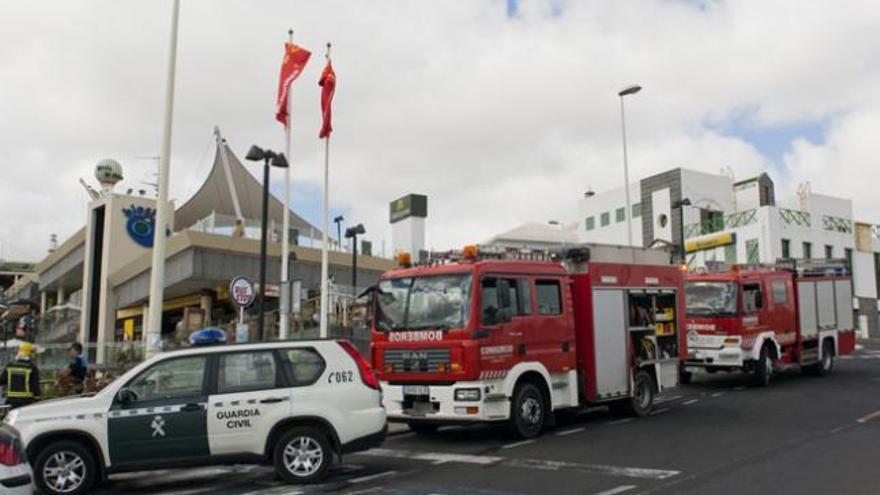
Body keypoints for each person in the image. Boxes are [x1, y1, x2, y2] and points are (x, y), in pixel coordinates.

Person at [1, 342, 41, 409]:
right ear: (29, 353)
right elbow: (35, 386)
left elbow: (2, 380)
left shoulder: (10, 365)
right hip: (27, 401)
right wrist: (37, 398)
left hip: (12, 401)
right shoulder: (32, 367)